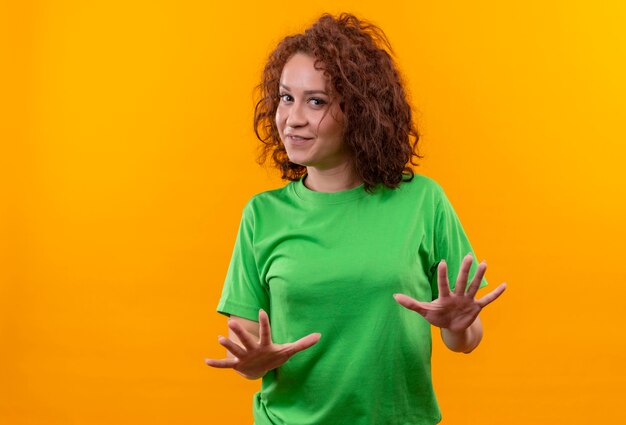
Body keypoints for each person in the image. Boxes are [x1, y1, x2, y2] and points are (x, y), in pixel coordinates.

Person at [205, 12, 506, 425]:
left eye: (316, 101)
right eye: (285, 97)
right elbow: (247, 349)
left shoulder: (423, 201)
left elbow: (466, 340)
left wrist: (458, 324)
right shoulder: (262, 215)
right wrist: (253, 361)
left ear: (360, 112)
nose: (292, 118)